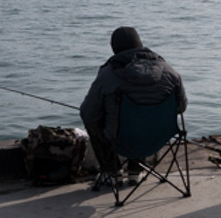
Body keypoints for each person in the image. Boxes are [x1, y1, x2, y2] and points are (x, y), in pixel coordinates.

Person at [80, 26, 187, 185]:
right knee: (144, 118)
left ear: (114, 48)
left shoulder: (108, 74)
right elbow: (182, 107)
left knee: (94, 119)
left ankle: (111, 171)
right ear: (140, 44)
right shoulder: (170, 72)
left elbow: (88, 114)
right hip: (158, 139)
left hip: (121, 141)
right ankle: (136, 171)